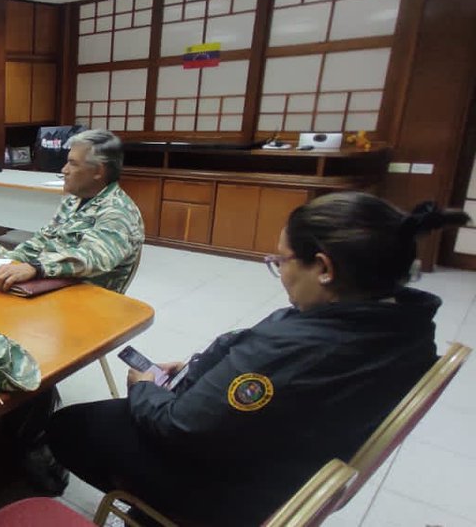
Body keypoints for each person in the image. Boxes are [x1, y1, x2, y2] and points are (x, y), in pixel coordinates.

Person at [45, 192, 469, 526]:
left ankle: (158, 513)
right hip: (288, 454)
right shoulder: (408, 325)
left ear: (323, 268)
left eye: (282, 260)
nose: (279, 271)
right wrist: (197, 369)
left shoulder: (298, 350)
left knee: (67, 427)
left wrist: (143, 390)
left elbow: (179, 425)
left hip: (238, 488)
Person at [0, 129, 144, 293]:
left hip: (82, 295)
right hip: (49, 280)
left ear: (98, 171)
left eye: (73, 164)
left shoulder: (118, 211)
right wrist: (11, 261)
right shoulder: (74, 200)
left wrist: (35, 268)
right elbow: (43, 240)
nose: (64, 170)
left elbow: (92, 258)